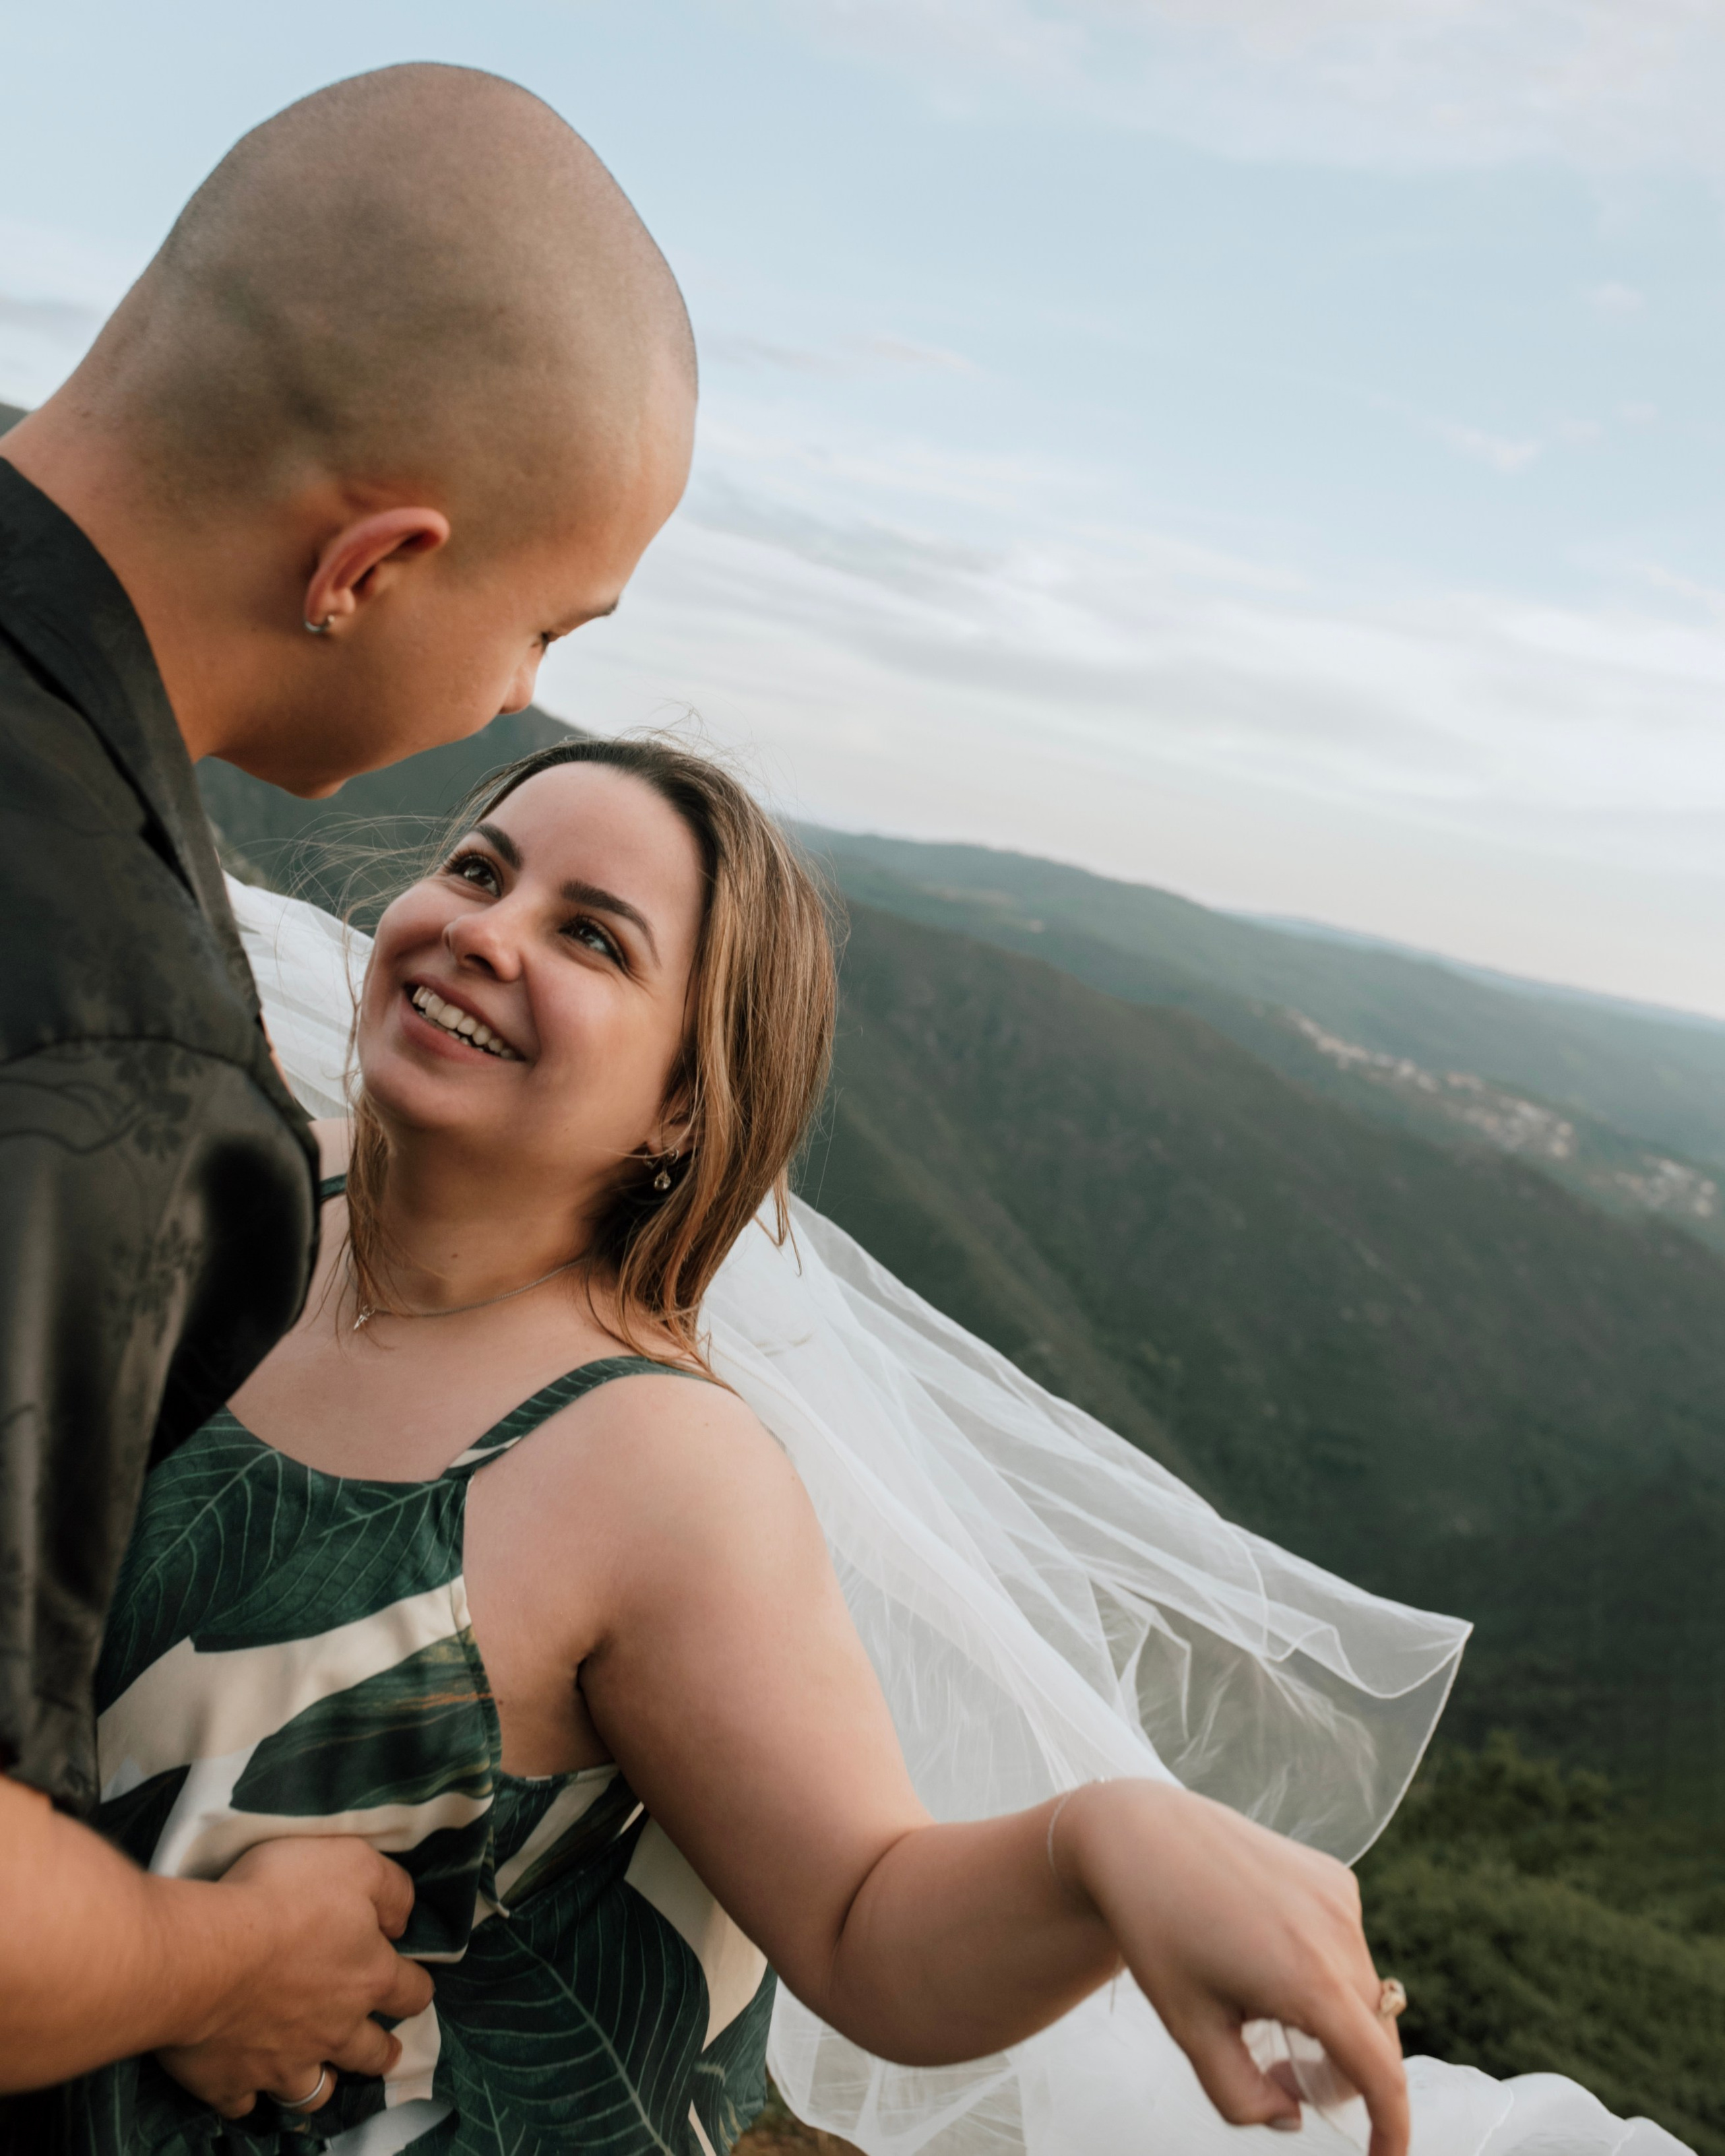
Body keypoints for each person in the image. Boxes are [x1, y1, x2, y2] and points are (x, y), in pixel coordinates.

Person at [61, 737, 1418, 2156]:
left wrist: (1111, 1840)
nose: (481, 931)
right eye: (477, 869)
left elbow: (861, 1920)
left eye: (589, 935)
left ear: (681, 1107)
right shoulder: (225, 1177)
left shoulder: (652, 1467)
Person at [0, 63, 696, 2138]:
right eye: (543, 625)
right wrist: (224, 1958)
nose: (513, 701)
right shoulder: (112, 1058)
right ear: (373, 559)